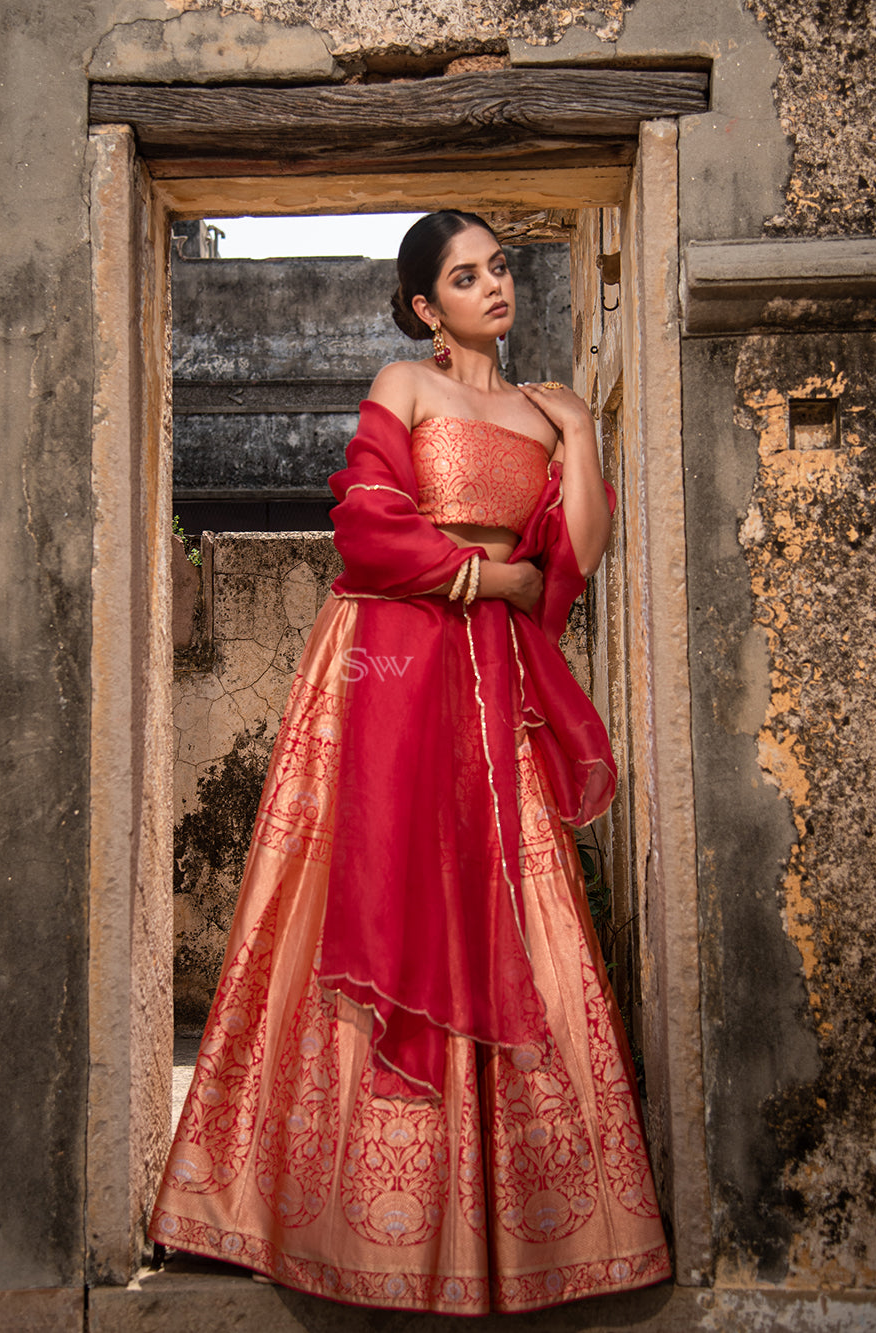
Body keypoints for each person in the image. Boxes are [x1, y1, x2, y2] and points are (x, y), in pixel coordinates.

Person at [148, 211, 672, 1315]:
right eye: (466, 276)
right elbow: (368, 526)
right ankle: (319, 1219)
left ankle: (517, 1237)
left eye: (502, 269)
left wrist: (580, 435)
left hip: (492, 678)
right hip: (393, 653)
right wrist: (487, 581)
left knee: (513, 890)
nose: (495, 287)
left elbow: (572, 552)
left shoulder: (545, 410)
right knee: (364, 879)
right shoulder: (405, 387)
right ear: (426, 309)